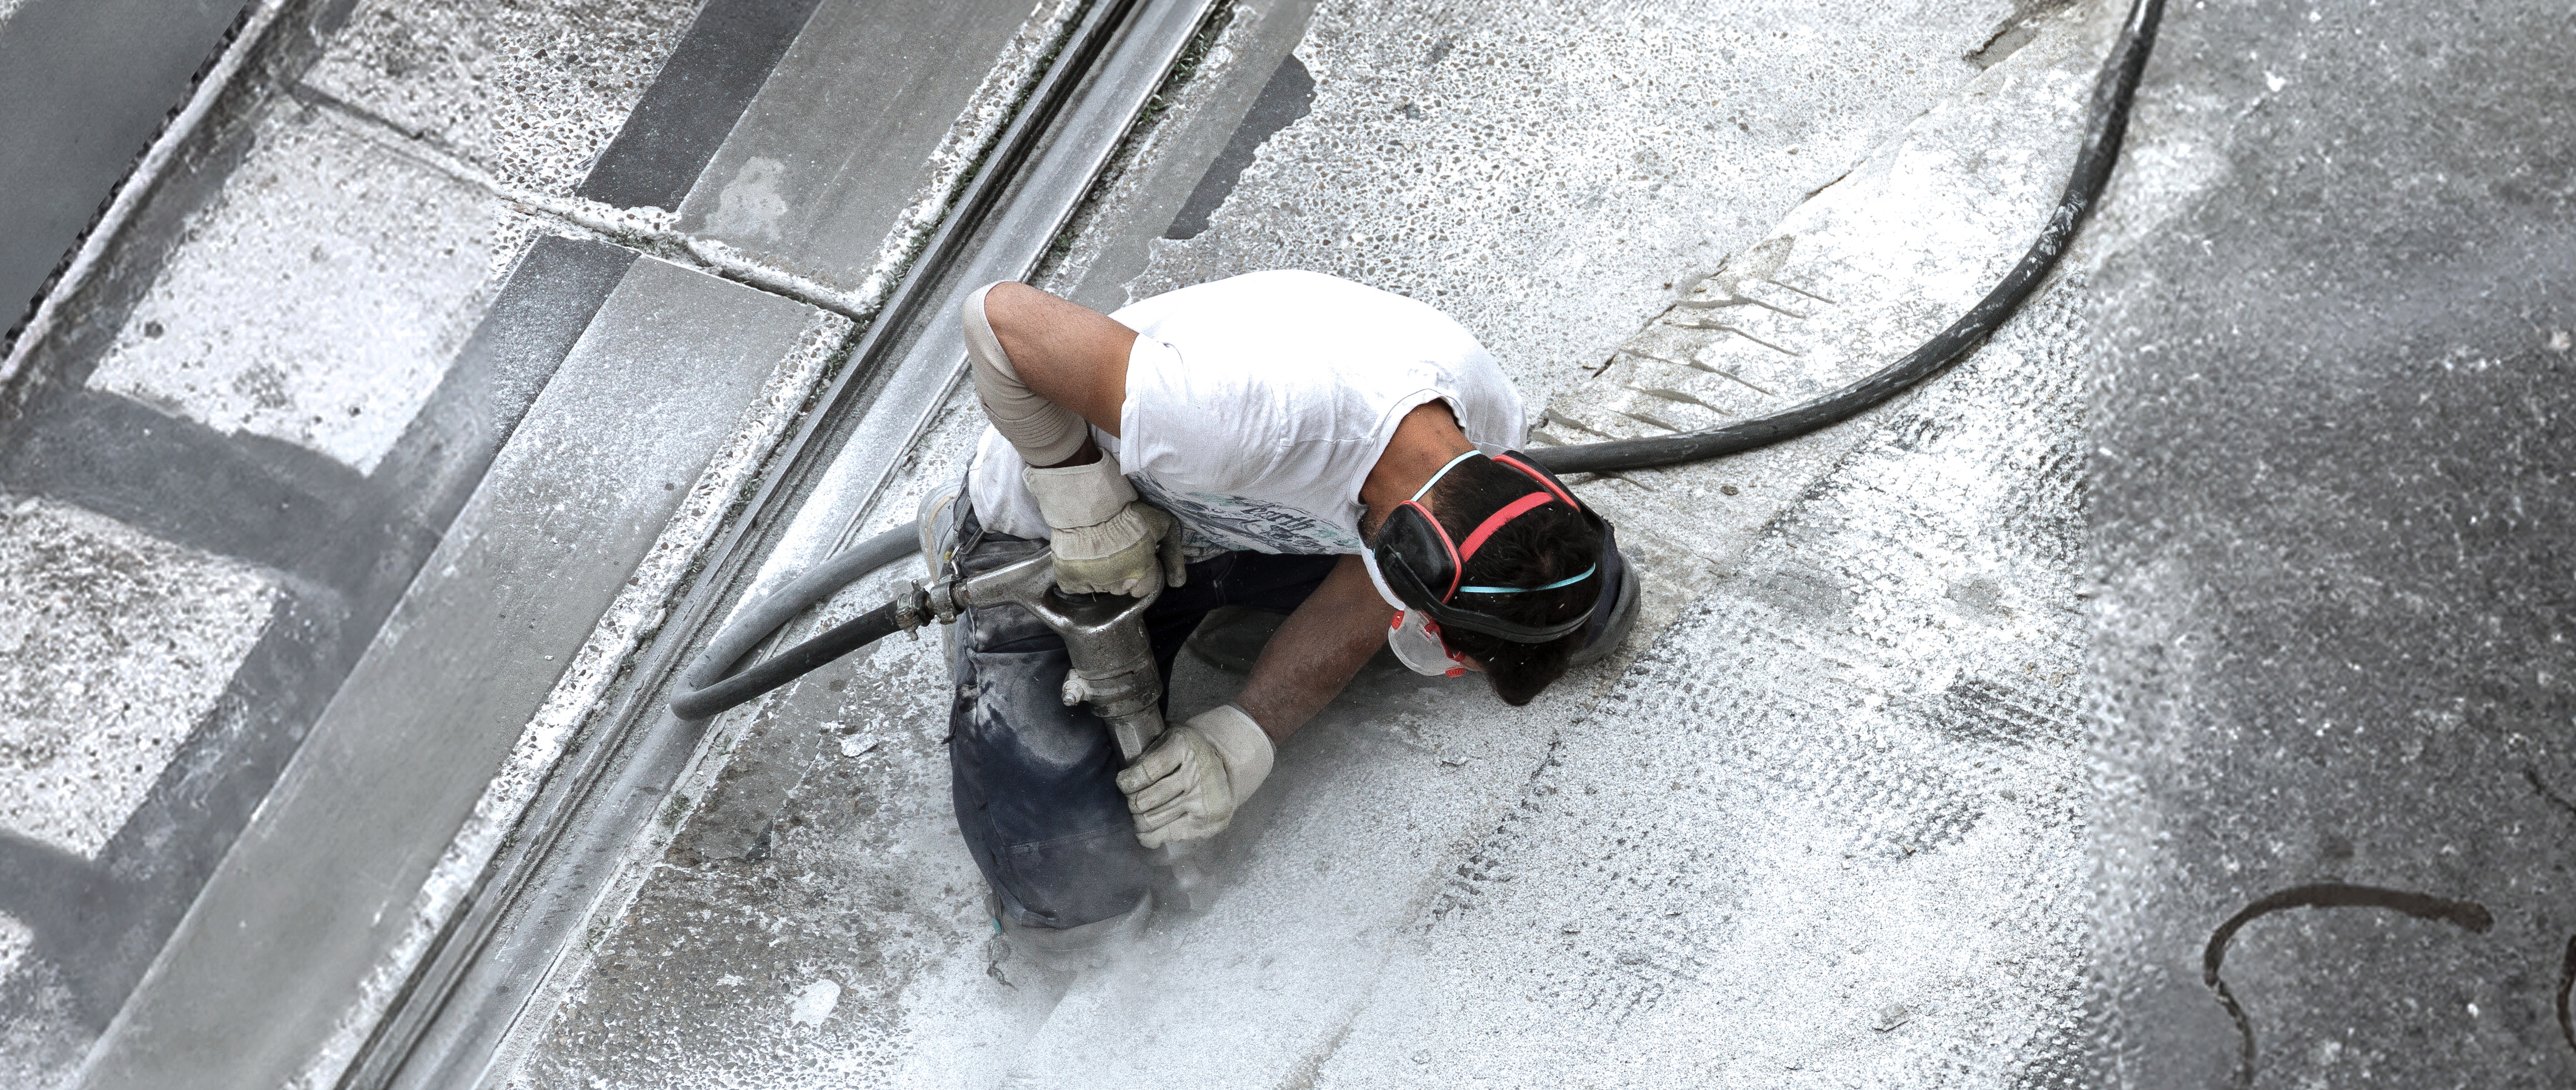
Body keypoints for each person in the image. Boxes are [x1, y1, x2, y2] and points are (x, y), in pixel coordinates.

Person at [922, 269, 1636, 957]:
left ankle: (1227, 608)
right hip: (1063, 536)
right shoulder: (1232, 420)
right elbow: (1000, 319)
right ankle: (968, 547)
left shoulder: (1480, 435)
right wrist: (1080, 494)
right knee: (1073, 888)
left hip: (1242, 518)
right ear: (1407, 557)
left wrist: (1246, 733)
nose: (1447, 667)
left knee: (1587, 609)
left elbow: (1370, 588)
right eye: (1443, 650)